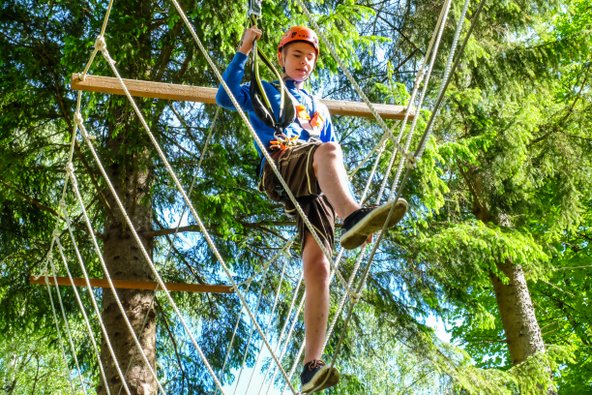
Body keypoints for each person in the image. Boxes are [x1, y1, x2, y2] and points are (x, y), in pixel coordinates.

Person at [216, 25, 407, 394]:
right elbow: (224, 98)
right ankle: (352, 214)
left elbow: (331, 166)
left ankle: (310, 366)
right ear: (282, 59)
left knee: (319, 269)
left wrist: (351, 218)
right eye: (297, 55)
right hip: (281, 164)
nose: (304, 62)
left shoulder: (319, 107)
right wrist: (243, 50)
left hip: (315, 185)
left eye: (310, 57)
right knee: (328, 151)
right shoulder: (266, 91)